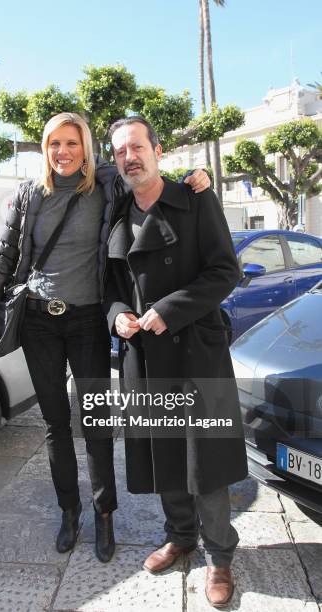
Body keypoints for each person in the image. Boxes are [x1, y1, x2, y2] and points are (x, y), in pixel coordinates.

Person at [0, 112, 210, 563]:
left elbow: (145, 176)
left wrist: (198, 176)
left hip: (86, 323)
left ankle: (104, 515)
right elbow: (5, 254)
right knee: (56, 425)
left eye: (72, 143)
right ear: (45, 149)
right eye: (54, 144)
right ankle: (69, 510)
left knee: (97, 423)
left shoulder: (105, 185)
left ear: (86, 147)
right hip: (40, 322)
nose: (63, 152)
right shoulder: (28, 195)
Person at [106, 116, 248, 607]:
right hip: (144, 355)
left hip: (195, 352)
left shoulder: (194, 197)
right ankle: (180, 536)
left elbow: (225, 271)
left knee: (204, 459)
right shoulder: (117, 210)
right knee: (164, 453)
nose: (130, 157)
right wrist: (119, 316)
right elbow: (111, 287)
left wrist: (169, 311)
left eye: (137, 147)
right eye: (121, 151)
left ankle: (220, 558)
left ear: (157, 150)